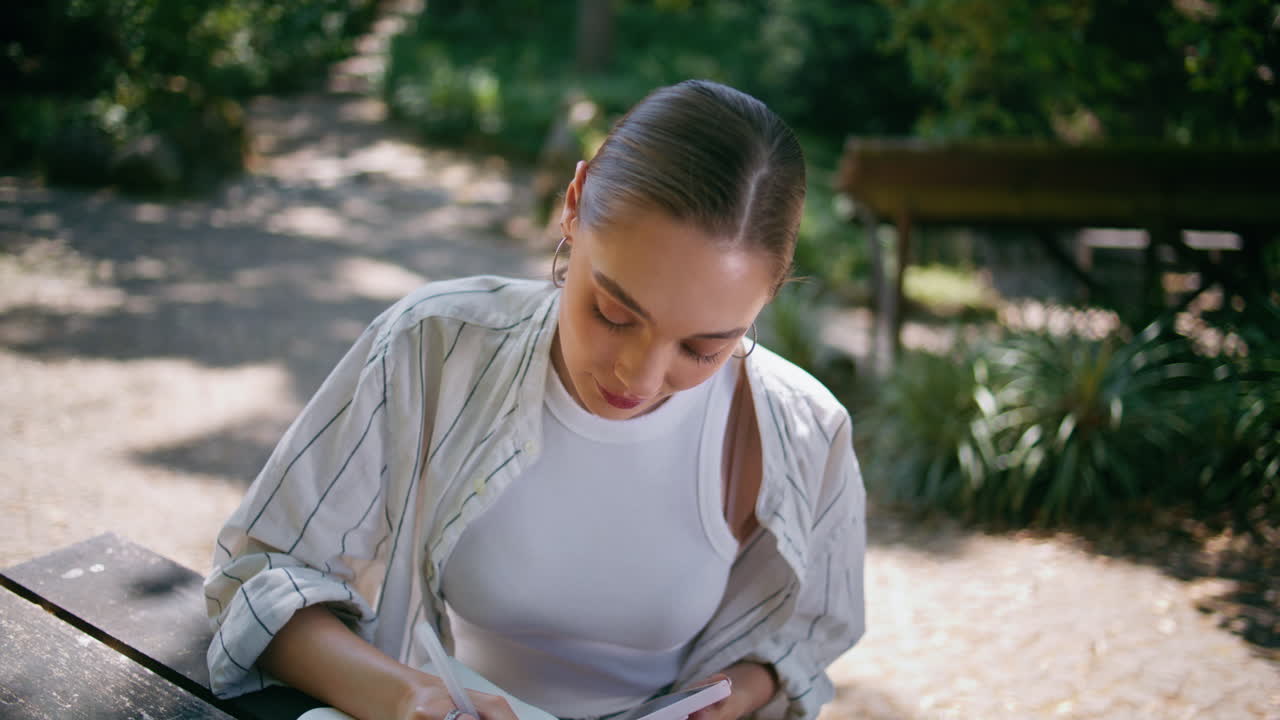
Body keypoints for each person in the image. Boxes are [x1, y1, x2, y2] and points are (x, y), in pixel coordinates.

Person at [204, 79, 866, 720]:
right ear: (573, 204)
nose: (638, 376)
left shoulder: (803, 432)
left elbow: (803, 640)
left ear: (769, 294)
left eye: (703, 348)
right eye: (612, 313)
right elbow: (259, 578)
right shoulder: (433, 344)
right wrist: (405, 698)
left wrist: (735, 693)